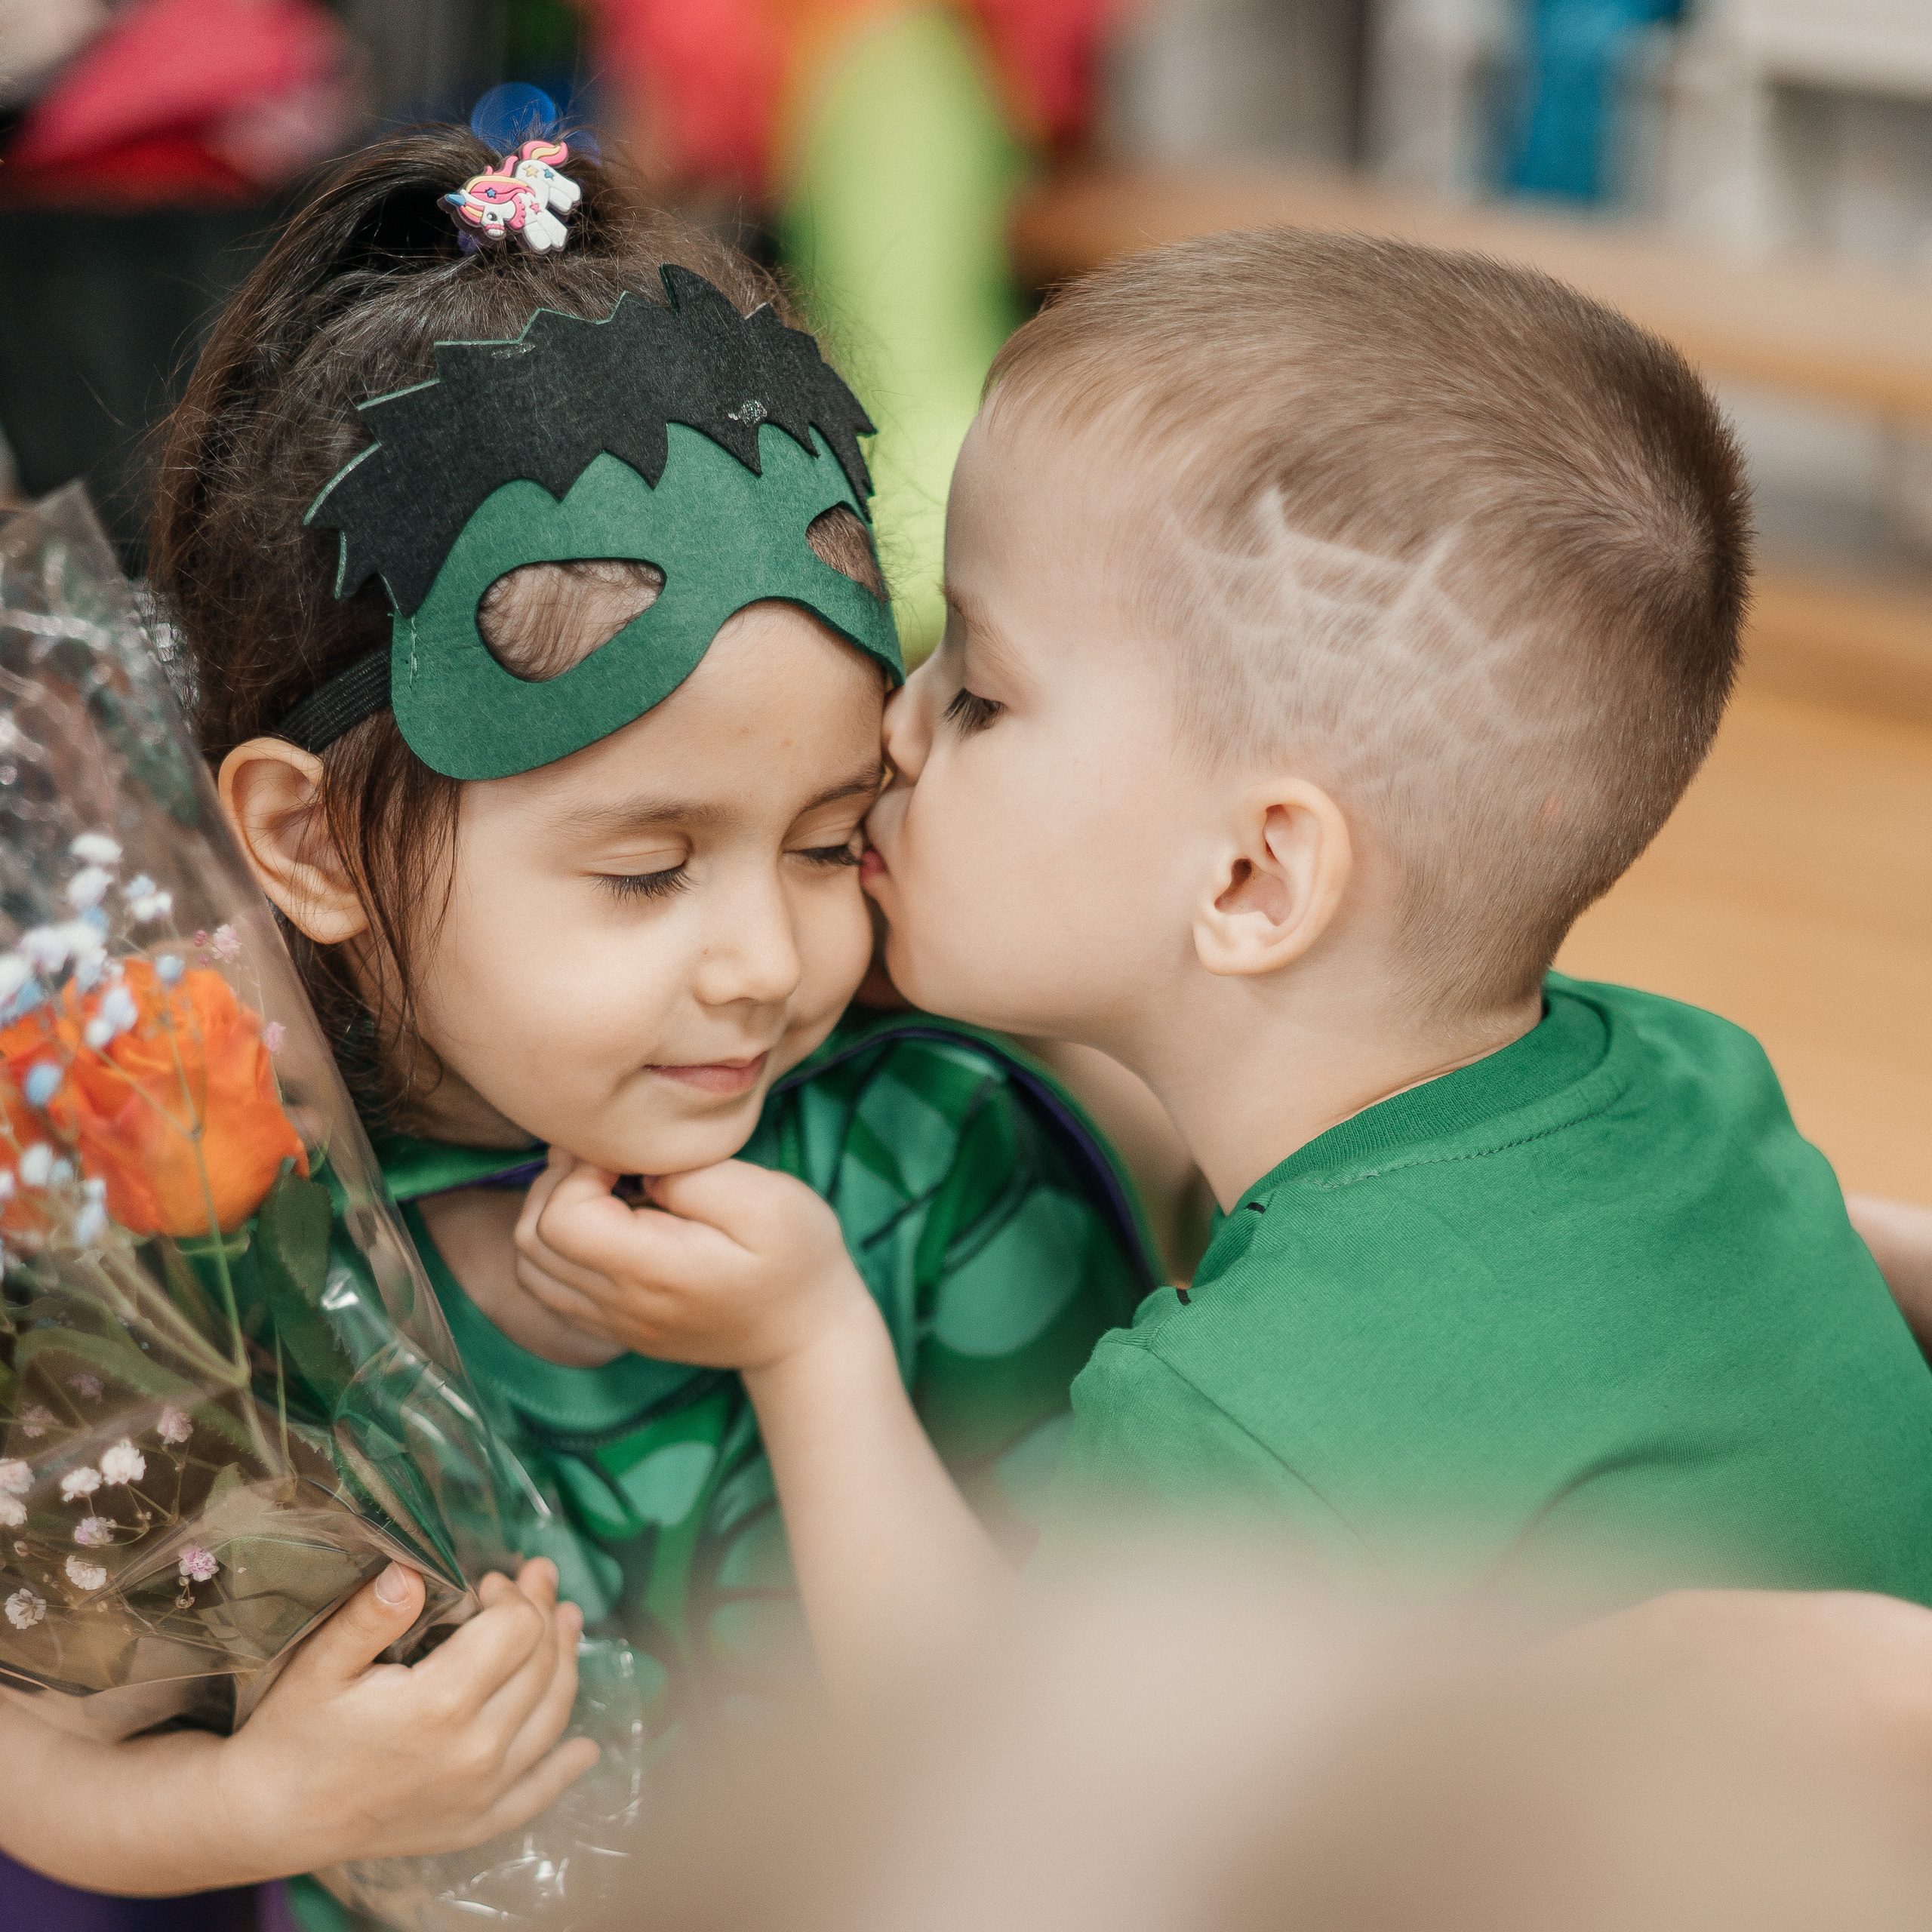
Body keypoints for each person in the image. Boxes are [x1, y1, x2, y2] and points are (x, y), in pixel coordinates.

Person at [506, 229, 1932, 1693]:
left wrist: (809, 1346)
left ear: (1253, 879)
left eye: (980, 693)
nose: (896, 727)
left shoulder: (1238, 1418)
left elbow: (1008, 1770)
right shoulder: (1696, 1077)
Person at [0, 126, 1155, 1927]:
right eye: (644, 870)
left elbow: (1081, 1763)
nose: (760, 959)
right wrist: (256, 1797)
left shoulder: (941, 1172)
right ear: (310, 841)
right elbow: (42, 1748)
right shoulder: (199, 1229)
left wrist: (812, 1350)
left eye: (827, 839)